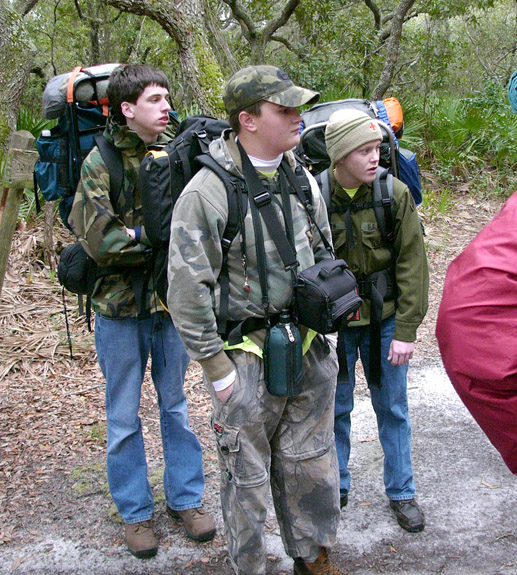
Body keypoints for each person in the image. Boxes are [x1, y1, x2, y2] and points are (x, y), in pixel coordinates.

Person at [167, 65, 345, 575]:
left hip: (306, 346)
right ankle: (250, 567)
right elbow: (186, 289)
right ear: (247, 119)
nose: (297, 117)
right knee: (245, 479)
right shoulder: (208, 191)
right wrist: (216, 367)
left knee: (311, 460)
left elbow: (321, 252)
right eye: (283, 109)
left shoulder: (301, 175)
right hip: (243, 358)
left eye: (297, 108)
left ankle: (313, 556)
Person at [68, 64, 215, 559]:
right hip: (118, 311)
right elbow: (100, 240)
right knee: (123, 416)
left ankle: (187, 500)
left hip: (168, 307)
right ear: (127, 108)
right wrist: (147, 236)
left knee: (176, 407)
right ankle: (135, 514)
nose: (166, 107)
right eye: (155, 99)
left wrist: (151, 238)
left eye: (167, 98)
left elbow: (197, 227)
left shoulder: (177, 156)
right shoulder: (100, 162)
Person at [324, 109, 429, 532]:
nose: (375, 159)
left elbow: (412, 265)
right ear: (340, 156)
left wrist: (405, 331)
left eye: (377, 149)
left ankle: (402, 492)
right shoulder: (314, 195)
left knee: (393, 409)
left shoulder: (393, 193)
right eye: (364, 151)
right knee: (335, 409)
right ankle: (336, 488)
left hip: (384, 320)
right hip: (337, 326)